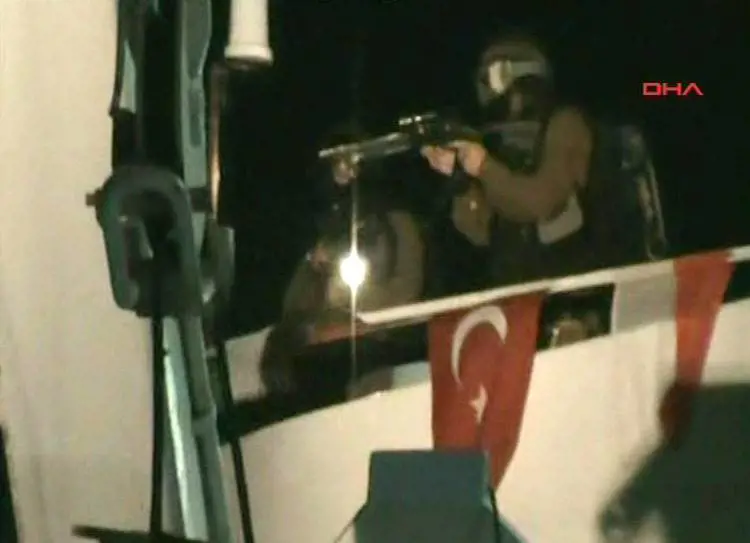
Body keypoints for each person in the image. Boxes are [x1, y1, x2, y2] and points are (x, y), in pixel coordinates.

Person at [421, 31, 597, 286]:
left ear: (526, 75)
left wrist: (483, 167)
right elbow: (480, 232)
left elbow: (541, 203)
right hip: (517, 284)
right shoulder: (499, 139)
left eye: (494, 76)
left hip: (578, 283)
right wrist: (461, 180)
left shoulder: (565, 124)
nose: (487, 88)